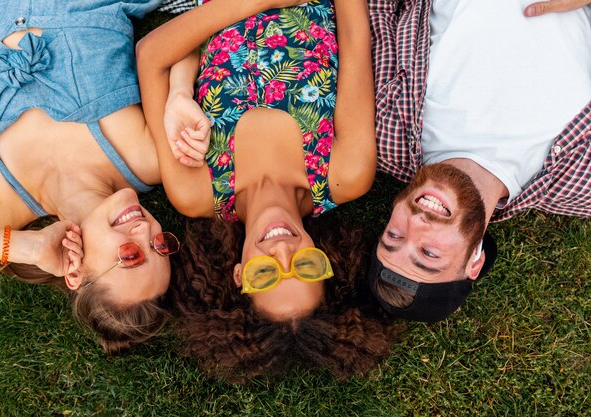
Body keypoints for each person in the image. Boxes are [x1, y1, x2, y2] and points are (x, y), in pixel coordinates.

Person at [137, 0, 400, 379]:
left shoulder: (195, 189)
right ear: (326, 262)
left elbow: (151, 57)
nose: (281, 250)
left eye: (266, 274)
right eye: (305, 267)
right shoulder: (346, 173)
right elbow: (354, 28)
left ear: (240, 275)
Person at [0, 0, 182, 352]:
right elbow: (177, 54)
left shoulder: (2, 205)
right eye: (160, 246)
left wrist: (26, 247)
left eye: (131, 255)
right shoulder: (147, 161)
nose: (146, 231)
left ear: (75, 273)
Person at [368, 0, 591, 322]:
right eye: (429, 253)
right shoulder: (580, 182)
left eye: (393, 237)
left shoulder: (385, 133)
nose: (415, 225)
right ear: (474, 260)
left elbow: (377, 11)